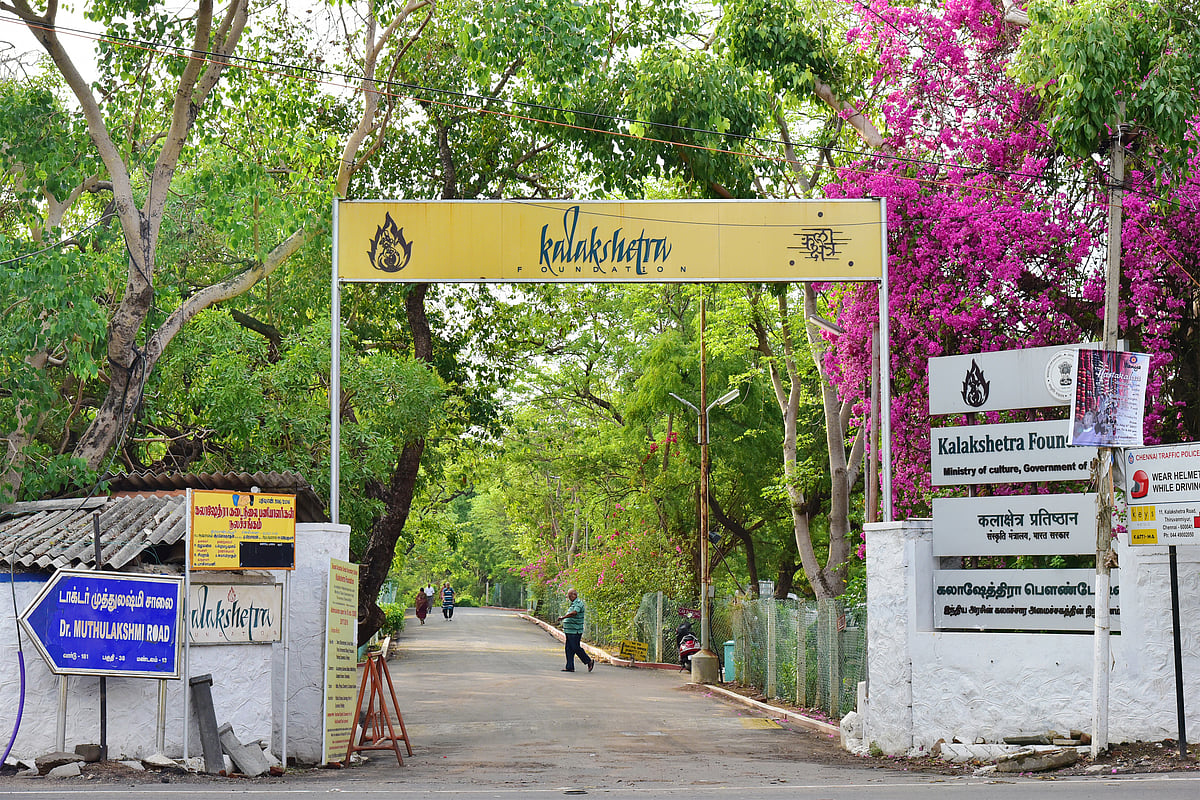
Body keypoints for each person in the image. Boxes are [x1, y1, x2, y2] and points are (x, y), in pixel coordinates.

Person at [556, 588, 594, 673]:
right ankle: (570, 666)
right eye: (568, 596)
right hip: (569, 630)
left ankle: (588, 661)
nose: (569, 597)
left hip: (575, 630)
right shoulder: (573, 603)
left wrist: (564, 617)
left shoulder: (578, 603)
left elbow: (574, 613)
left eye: (570, 596)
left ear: (575, 595)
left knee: (575, 647)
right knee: (568, 648)